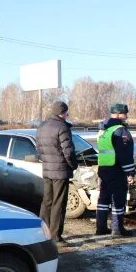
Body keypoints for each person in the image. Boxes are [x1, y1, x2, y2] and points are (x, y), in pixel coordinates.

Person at [35, 101, 78, 245]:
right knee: (58, 203)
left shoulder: (42, 126)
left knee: (47, 201)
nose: (68, 115)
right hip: (60, 171)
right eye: (67, 112)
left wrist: (46, 161)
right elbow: (69, 151)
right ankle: (55, 236)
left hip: (47, 170)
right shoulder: (62, 127)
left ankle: (42, 232)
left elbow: (38, 150)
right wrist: (73, 165)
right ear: (63, 112)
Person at [95, 103, 135, 236]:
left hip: (103, 169)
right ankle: (117, 229)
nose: (127, 116)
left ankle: (100, 228)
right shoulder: (120, 130)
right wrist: (130, 172)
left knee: (103, 199)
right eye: (125, 113)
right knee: (118, 199)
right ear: (119, 114)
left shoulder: (104, 129)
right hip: (116, 170)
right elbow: (125, 154)